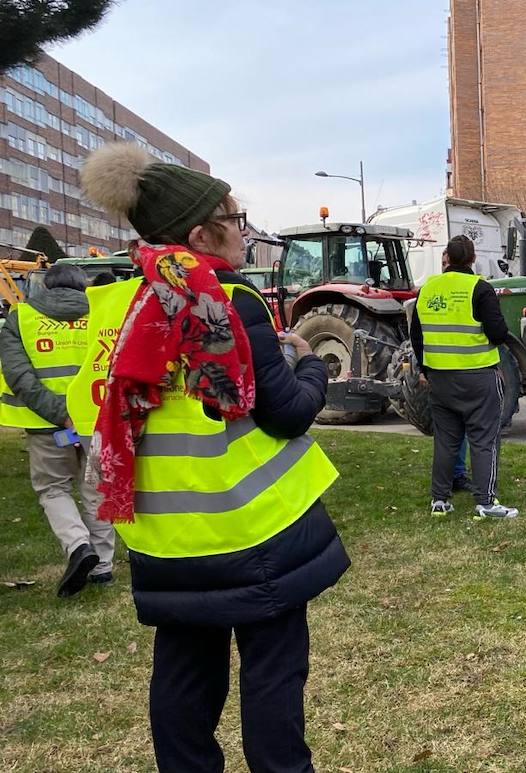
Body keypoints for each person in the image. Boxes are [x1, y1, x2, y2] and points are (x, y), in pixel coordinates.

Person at [75, 142, 349, 770]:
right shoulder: (228, 301)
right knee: (273, 676)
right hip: (249, 526)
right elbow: (285, 412)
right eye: (235, 219)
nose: (244, 232)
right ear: (202, 234)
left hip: (163, 536)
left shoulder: (118, 304)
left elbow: (89, 403)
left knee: (184, 679)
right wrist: (310, 365)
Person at [0, 263, 115, 597]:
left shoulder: (20, 318)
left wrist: (61, 414)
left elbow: (20, 377)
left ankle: (78, 545)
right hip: (96, 419)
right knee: (96, 489)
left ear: (46, 285)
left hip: (46, 425)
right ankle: (104, 566)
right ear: (84, 286)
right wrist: (79, 413)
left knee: (53, 489)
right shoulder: (102, 313)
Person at [412, 235, 518, 519]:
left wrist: (425, 370)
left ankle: (440, 500)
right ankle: (485, 502)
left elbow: (416, 336)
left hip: (439, 378)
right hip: (478, 375)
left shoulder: (427, 289)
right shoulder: (479, 288)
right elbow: (497, 332)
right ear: (472, 259)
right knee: (484, 438)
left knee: (446, 441)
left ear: (446, 257)